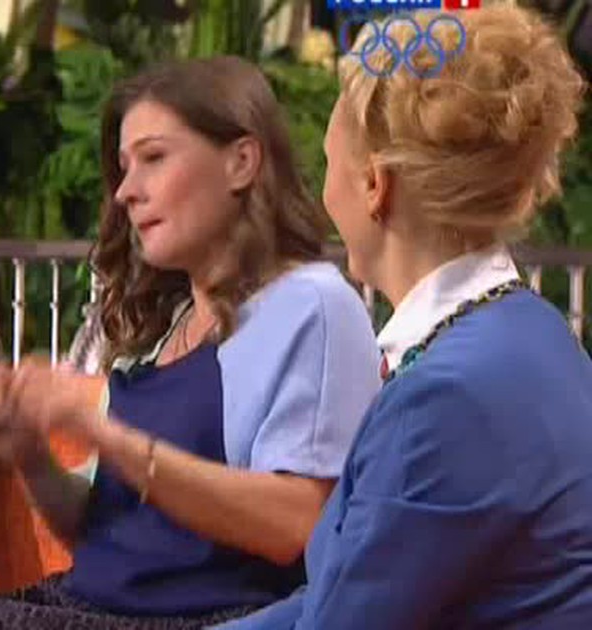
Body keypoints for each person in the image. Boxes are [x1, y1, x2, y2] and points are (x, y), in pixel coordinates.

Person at [0, 55, 381, 629]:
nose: (126, 191)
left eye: (153, 158)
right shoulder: (171, 326)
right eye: (124, 168)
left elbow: (297, 524)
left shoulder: (310, 304)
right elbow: (100, 532)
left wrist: (108, 437)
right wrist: (30, 451)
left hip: (198, 618)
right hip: (88, 605)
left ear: (241, 162)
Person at [216, 6, 592, 629]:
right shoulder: (536, 333)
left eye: (328, 161)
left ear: (374, 185)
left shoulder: (446, 397)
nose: (321, 188)